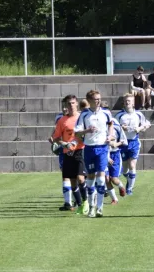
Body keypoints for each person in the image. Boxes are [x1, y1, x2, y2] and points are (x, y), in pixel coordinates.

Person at [74, 90, 115, 218]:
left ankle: (100, 208)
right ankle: (92, 206)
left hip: (102, 148)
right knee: (90, 179)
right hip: (89, 149)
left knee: (101, 178)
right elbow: (77, 133)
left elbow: (111, 126)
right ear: (89, 100)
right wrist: (87, 130)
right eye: (95, 99)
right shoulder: (84, 115)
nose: (98, 101)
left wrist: (111, 136)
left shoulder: (106, 113)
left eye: (99, 98)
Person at [51, 95, 88, 214]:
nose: (71, 105)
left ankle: (86, 201)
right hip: (68, 153)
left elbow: (88, 134)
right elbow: (56, 138)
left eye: (73, 103)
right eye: (69, 103)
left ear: (76, 104)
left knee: (80, 178)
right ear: (66, 106)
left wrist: (82, 138)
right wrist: (64, 144)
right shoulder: (62, 120)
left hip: (80, 151)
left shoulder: (82, 117)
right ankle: (79, 204)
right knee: (72, 181)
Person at [116, 93, 151, 195]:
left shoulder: (138, 114)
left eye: (129, 101)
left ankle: (129, 189)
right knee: (125, 169)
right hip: (123, 143)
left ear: (133, 103)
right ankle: (129, 179)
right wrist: (121, 127)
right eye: (126, 101)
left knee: (132, 165)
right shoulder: (119, 115)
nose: (127, 103)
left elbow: (147, 124)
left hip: (134, 142)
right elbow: (113, 128)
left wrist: (139, 128)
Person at [105, 117, 128, 204]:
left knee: (114, 179)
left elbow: (124, 141)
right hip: (103, 154)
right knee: (106, 179)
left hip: (115, 155)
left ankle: (121, 186)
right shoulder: (98, 126)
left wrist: (116, 144)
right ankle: (114, 199)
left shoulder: (116, 126)